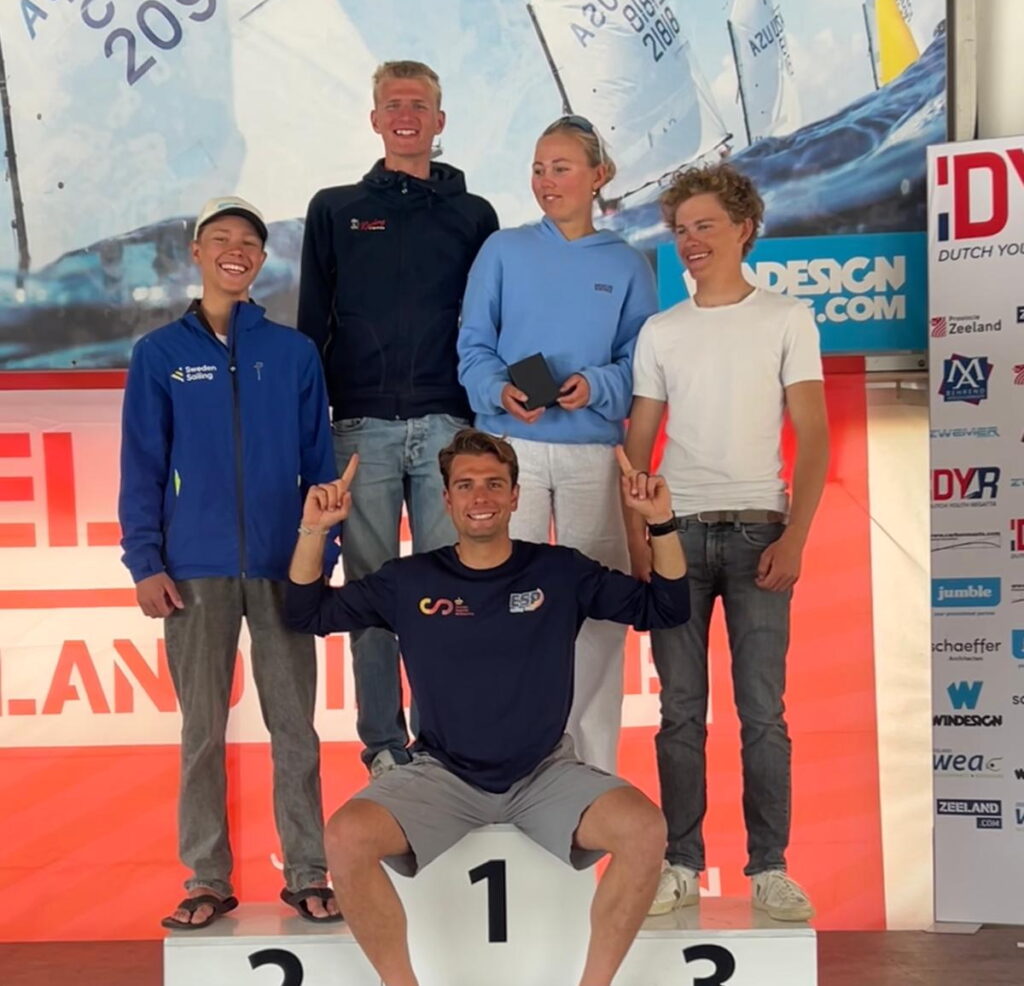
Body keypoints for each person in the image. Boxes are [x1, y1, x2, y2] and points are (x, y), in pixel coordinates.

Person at [284, 429, 689, 986]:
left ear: (516, 496)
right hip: (443, 774)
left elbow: (666, 608)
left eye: (495, 484)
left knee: (644, 830)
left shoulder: (558, 571)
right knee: (346, 836)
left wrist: (660, 524)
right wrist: (314, 530)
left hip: (544, 772)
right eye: (466, 485)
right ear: (446, 499)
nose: (481, 497)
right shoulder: (411, 580)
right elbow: (305, 612)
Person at [119, 196, 342, 929]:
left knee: (295, 731)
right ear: (198, 253)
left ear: (261, 258)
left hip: (284, 566)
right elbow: (142, 465)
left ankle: (308, 873)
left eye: (248, 240)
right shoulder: (160, 354)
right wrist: (145, 561)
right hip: (193, 569)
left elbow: (319, 464)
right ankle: (206, 880)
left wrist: (320, 553)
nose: (235, 250)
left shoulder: (293, 353)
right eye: (220, 238)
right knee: (202, 734)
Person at [624, 163, 830, 922]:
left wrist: (796, 537)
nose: (691, 241)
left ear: (745, 228)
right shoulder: (661, 331)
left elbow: (814, 435)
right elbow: (638, 448)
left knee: (762, 712)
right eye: (681, 230)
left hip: (757, 532)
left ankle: (769, 868)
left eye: (705, 225)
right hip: (676, 537)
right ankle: (680, 863)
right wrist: (641, 544)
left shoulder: (787, 318)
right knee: (680, 712)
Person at [298, 60, 499, 777]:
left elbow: (494, 320)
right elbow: (312, 323)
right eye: (393, 104)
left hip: (450, 428)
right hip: (360, 430)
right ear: (375, 119)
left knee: (456, 592)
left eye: (419, 104)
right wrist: (309, 431)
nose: (405, 114)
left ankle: (450, 740)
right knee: (372, 595)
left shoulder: (475, 215)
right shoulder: (334, 209)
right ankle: (383, 746)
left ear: (439, 121)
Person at [456, 115, 658, 773]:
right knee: (497, 603)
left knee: (597, 609)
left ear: (600, 175)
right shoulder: (502, 250)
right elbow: (473, 346)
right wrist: (498, 390)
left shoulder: (627, 264)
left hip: (591, 455)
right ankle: (502, 767)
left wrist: (596, 386)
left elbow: (641, 366)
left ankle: (592, 775)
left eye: (561, 167)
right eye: (538, 168)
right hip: (505, 448)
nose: (546, 181)